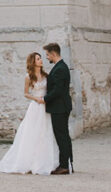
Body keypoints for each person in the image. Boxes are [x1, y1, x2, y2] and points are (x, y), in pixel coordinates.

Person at [0, 52, 58, 175]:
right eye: (38, 59)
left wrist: (46, 99)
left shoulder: (46, 76)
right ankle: (28, 161)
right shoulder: (29, 77)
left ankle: (43, 161)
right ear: (33, 62)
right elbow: (26, 93)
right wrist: (36, 99)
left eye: (40, 58)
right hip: (36, 106)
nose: (41, 60)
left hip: (45, 106)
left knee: (45, 132)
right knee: (32, 132)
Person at [43, 42, 74, 175]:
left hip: (59, 107)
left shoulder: (60, 68)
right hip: (60, 106)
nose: (47, 57)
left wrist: (44, 99)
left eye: (47, 55)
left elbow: (58, 90)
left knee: (61, 137)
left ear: (53, 53)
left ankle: (64, 166)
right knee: (64, 136)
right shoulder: (60, 67)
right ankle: (68, 164)